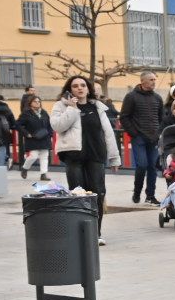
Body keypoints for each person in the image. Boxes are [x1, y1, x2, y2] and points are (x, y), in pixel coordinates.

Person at [49, 76, 118, 245]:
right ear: (69, 89)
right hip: (74, 157)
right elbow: (57, 126)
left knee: (98, 194)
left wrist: (114, 157)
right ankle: (79, 233)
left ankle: (96, 232)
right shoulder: (61, 106)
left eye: (83, 85)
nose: (79, 88)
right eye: (75, 86)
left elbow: (108, 133)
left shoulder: (98, 107)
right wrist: (72, 108)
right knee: (77, 194)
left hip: (96, 156)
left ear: (88, 89)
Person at [121, 71, 165, 204]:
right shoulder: (131, 97)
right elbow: (124, 117)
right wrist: (133, 133)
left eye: (154, 79)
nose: (154, 82)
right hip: (138, 138)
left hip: (153, 139)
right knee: (142, 165)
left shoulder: (158, 98)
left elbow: (161, 118)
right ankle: (137, 192)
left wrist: (158, 133)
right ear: (143, 81)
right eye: (151, 79)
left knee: (152, 167)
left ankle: (150, 196)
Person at [15, 94, 54, 181]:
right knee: (33, 156)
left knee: (44, 156)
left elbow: (49, 124)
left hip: (45, 137)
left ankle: (43, 174)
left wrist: (50, 134)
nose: (37, 103)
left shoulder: (44, 112)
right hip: (32, 138)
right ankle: (24, 168)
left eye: (38, 101)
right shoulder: (26, 114)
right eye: (35, 101)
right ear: (30, 103)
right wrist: (26, 133)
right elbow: (17, 125)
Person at [0, 94, 18, 167]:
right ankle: (2, 164)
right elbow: (13, 123)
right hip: (4, 132)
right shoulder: (7, 109)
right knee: (3, 147)